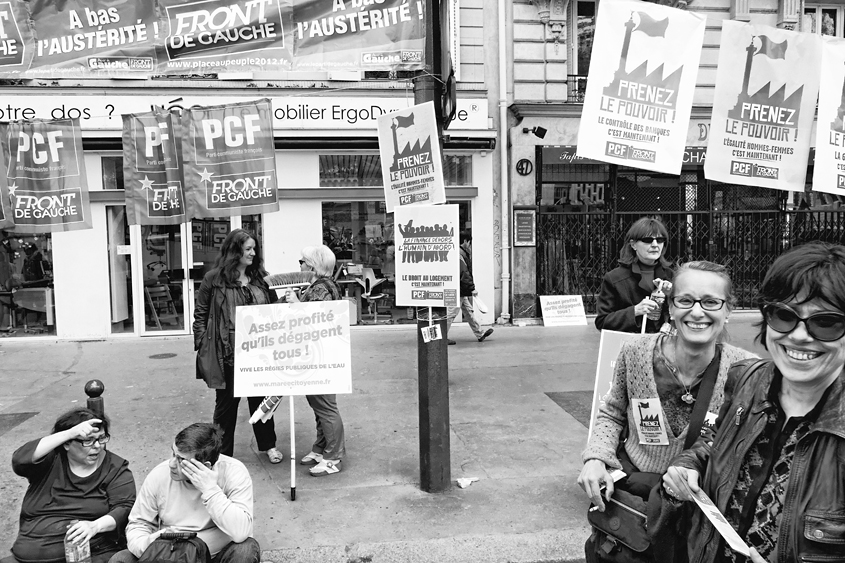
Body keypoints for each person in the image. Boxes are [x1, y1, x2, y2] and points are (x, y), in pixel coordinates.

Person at [662, 242, 845, 563]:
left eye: (825, 322)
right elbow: (713, 442)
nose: (800, 336)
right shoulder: (747, 379)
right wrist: (688, 465)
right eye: (785, 316)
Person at [578, 261, 755, 516]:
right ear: (671, 307)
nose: (697, 312)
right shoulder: (635, 352)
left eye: (711, 302)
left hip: (700, 502)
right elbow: (612, 413)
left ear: (728, 310)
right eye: (685, 300)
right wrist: (595, 457)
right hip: (635, 493)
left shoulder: (746, 370)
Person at [193, 228, 283, 464]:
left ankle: (268, 445)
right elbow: (201, 314)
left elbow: (273, 310)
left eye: (255, 249)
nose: (253, 253)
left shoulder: (262, 278)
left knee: (261, 401)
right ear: (235, 251)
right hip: (227, 352)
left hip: (258, 352)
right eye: (248, 249)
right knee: (226, 406)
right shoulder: (214, 278)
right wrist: (202, 343)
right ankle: (222, 453)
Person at [109, 423, 260, 563]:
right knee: (121, 558)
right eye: (173, 454)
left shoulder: (233, 472)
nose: (171, 463)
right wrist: (149, 548)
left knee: (246, 549)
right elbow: (138, 523)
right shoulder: (160, 474)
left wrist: (210, 490)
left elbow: (241, 532)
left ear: (205, 466)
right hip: (169, 554)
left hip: (214, 555)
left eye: (181, 460)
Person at [4, 408, 136, 563]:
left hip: (89, 555)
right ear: (66, 444)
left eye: (101, 438)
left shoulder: (115, 468)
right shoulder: (50, 462)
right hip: (25, 555)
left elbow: (125, 508)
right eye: (88, 440)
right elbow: (20, 459)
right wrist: (69, 433)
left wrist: (94, 526)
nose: (97, 446)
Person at [285, 245, 347, 476]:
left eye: (301, 261)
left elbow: (316, 321)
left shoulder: (321, 288)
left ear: (311, 265)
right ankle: (322, 448)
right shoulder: (322, 285)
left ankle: (333, 456)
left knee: (325, 406)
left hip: (320, 355)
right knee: (319, 404)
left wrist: (296, 304)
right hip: (318, 354)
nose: (299, 265)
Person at [595, 217, 674, 333]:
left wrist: (672, 299)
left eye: (660, 240)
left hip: (663, 345)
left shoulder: (671, 276)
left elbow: (683, 313)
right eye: (647, 240)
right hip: (629, 346)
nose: (655, 244)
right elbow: (602, 322)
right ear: (633, 244)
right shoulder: (614, 278)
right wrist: (635, 311)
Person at [445, 231, 493, 345]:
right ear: (466, 241)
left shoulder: (460, 253)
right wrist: (472, 288)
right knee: (451, 313)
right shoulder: (459, 254)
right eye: (469, 243)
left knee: (469, 312)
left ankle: (480, 333)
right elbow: (464, 273)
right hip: (458, 289)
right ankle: (441, 337)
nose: (470, 245)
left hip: (461, 289)